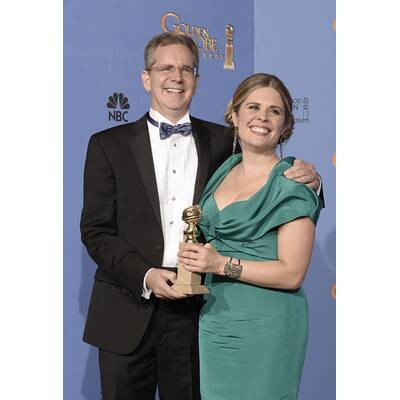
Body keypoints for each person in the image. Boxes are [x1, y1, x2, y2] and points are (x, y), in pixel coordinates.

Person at [80, 32, 320, 400]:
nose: (176, 77)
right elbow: (96, 232)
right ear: (146, 78)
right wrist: (145, 275)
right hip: (126, 306)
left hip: (198, 313)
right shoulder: (107, 144)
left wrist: (315, 181)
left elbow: (268, 176)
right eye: (166, 68)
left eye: (186, 69)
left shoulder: (226, 142)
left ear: (197, 79)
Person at [178, 73, 323, 400]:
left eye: (275, 111)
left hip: (267, 326)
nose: (263, 117)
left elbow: (292, 274)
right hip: (215, 320)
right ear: (234, 114)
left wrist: (220, 264)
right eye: (253, 107)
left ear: (285, 125)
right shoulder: (224, 170)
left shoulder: (293, 184)